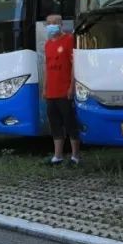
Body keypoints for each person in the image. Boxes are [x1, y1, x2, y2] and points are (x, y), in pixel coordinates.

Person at [43, 13, 80, 166]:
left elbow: (75, 66)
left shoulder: (69, 40)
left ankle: (75, 157)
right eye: (48, 23)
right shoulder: (47, 44)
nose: (51, 25)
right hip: (51, 91)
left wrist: (71, 87)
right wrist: (45, 88)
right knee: (55, 124)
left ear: (61, 24)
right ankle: (57, 156)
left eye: (54, 22)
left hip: (65, 90)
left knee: (70, 123)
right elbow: (46, 67)